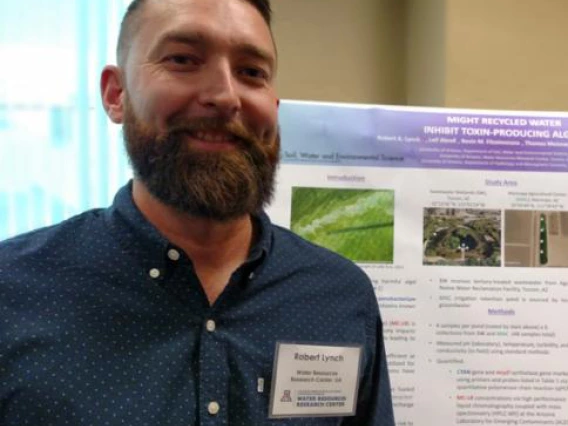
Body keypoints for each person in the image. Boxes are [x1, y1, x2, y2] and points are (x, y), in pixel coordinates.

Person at [0, 0, 395, 424]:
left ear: (274, 107)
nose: (225, 97)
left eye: (251, 72)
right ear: (116, 94)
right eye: (183, 60)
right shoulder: (14, 292)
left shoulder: (338, 296)